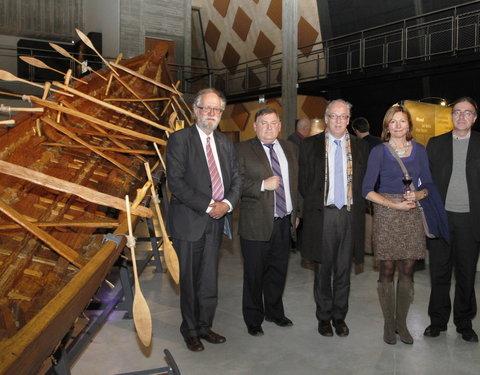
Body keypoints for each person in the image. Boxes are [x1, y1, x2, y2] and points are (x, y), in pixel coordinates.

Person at [166, 88, 241, 351]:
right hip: (190, 221)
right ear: (196, 110)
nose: (211, 114)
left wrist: (227, 204)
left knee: (209, 278)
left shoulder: (225, 143)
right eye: (206, 108)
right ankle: (190, 330)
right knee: (189, 279)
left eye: (217, 110)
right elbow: (176, 182)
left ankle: (205, 326)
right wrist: (210, 205)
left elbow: (236, 179)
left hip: (217, 220)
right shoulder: (179, 140)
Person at [362, 104, 433, 345]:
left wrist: (418, 195)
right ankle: (388, 324)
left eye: (402, 121)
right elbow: (366, 191)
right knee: (387, 269)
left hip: (411, 212)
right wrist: (394, 205)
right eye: (393, 122)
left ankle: (401, 323)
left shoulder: (420, 151)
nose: (398, 125)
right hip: (386, 212)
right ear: (387, 127)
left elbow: (428, 185)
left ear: (409, 126)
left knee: (407, 270)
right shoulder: (379, 152)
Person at [299, 99, 368, 338]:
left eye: (343, 117)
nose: (338, 121)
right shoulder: (309, 146)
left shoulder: (361, 147)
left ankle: (340, 317)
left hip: (349, 216)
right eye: (334, 116)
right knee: (322, 270)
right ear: (326, 119)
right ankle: (324, 317)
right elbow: (303, 182)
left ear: (348, 120)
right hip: (323, 216)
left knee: (343, 270)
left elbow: (365, 183)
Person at [236, 107, 299, 337]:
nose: (269, 127)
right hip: (256, 224)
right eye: (264, 123)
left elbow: (296, 183)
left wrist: (297, 211)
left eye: (273, 123)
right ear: (254, 126)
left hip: (284, 222)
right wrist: (262, 185)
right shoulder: (242, 149)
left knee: (278, 272)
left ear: (280, 126)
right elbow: (236, 183)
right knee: (254, 274)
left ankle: (274, 312)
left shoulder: (290, 148)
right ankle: (253, 319)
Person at [424, 96, 480, 343]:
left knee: (466, 273)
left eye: (467, 113)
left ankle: (464, 322)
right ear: (451, 115)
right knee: (439, 272)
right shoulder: (435, 144)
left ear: (475, 118)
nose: (461, 116)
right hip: (442, 219)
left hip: (470, 220)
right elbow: (426, 183)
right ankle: (437, 321)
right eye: (457, 112)